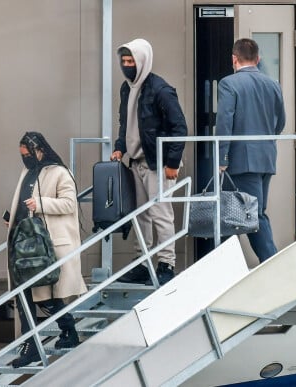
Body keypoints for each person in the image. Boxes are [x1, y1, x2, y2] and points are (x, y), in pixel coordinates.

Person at [6, 131, 87, 367]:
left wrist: (41, 204)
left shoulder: (60, 173)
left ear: (40, 150)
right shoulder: (27, 173)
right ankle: (32, 344)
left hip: (49, 246)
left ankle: (68, 331)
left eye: (28, 154)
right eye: (22, 155)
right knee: (24, 297)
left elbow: (70, 203)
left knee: (45, 297)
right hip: (25, 245)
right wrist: (12, 217)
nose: (26, 159)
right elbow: (24, 204)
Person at [110, 38, 188, 285]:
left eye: (131, 61)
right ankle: (143, 263)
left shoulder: (160, 90)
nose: (126, 65)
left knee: (161, 215)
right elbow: (125, 123)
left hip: (158, 163)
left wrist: (173, 163)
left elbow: (180, 128)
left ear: (142, 61)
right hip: (136, 162)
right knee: (140, 216)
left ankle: (166, 264)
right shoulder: (127, 88)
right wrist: (119, 148)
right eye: (123, 61)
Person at [215, 38, 286, 263]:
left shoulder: (228, 83)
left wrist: (222, 157)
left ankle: (271, 264)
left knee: (247, 215)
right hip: (265, 158)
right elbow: (280, 121)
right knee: (252, 213)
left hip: (240, 161)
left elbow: (225, 122)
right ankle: (228, 265)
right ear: (258, 59)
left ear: (234, 59)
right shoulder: (273, 84)